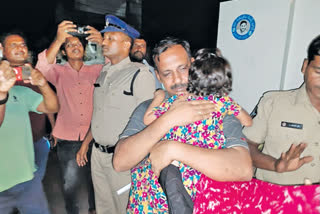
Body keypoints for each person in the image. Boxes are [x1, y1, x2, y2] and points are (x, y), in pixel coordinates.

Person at [113, 37, 252, 212]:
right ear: (158, 76)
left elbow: (243, 169)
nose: (177, 80)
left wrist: (172, 149)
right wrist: (168, 119)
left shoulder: (215, 106)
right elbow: (120, 162)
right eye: (167, 73)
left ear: (193, 65)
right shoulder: (148, 108)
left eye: (182, 69)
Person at [80, 14, 155, 214]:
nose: (104, 42)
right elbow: (99, 114)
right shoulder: (104, 72)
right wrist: (86, 144)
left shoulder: (139, 74)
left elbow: (150, 121)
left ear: (125, 44)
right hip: (98, 155)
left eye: (111, 38)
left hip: (123, 158)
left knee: (125, 207)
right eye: (105, 38)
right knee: (104, 207)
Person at [35, 20, 104, 214]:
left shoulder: (96, 70)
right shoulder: (58, 72)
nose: (75, 46)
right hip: (67, 137)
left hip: (95, 136)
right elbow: (41, 68)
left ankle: (94, 210)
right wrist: (58, 40)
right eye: (70, 44)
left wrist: (101, 43)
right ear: (64, 52)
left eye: (78, 44)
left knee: (96, 182)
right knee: (70, 184)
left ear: (84, 49)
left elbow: (113, 66)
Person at [242, 35, 320, 185]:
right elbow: (245, 146)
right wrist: (276, 165)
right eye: (318, 72)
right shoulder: (273, 103)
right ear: (305, 66)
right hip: (275, 201)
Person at [0, 54, 59, 214]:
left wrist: (43, 83)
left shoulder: (20, 91)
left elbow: (52, 107)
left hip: (27, 179)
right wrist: (2, 95)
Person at [0, 32, 52, 181]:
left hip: (38, 138)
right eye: (14, 46)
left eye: (23, 47)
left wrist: (54, 128)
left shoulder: (35, 75)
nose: (22, 52)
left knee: (36, 178)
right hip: (14, 142)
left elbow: (47, 104)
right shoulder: (3, 76)